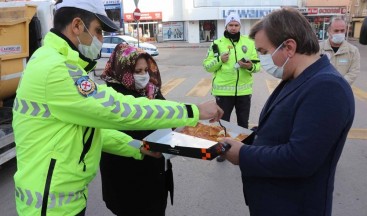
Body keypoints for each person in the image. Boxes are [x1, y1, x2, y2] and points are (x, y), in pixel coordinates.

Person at [12, 0, 223, 215]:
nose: (101, 39)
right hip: (49, 205)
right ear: (77, 26)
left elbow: (89, 133)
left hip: (60, 198)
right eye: (98, 31)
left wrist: (136, 147)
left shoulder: (58, 62)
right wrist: (192, 112)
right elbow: (119, 109)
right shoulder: (55, 69)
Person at [222, 8, 355, 216]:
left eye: (264, 52)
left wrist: (243, 154)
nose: (262, 59)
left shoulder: (328, 88)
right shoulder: (295, 77)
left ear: (289, 47)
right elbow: (277, 131)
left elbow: (300, 158)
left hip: (294, 207)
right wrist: (240, 137)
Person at [99, 43, 172, 216]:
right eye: (137, 71)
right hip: (125, 176)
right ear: (122, 68)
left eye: (145, 70)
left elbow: (169, 115)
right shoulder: (108, 95)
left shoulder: (151, 90)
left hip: (155, 172)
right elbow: (106, 136)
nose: (143, 76)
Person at [202, 13, 260, 162]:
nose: (233, 28)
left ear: (240, 26)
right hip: (223, 92)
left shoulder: (249, 43)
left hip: (244, 91)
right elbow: (207, 66)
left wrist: (249, 66)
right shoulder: (217, 44)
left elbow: (257, 66)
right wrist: (219, 60)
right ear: (226, 26)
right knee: (223, 123)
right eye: (231, 25)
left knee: (243, 123)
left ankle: (243, 152)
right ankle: (222, 152)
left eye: (236, 25)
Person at [319, 16, 360, 85]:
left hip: (343, 90)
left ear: (346, 30)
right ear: (329, 31)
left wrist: (339, 83)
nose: (339, 33)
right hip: (322, 88)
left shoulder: (353, 51)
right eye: (336, 31)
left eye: (342, 30)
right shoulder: (319, 48)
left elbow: (354, 72)